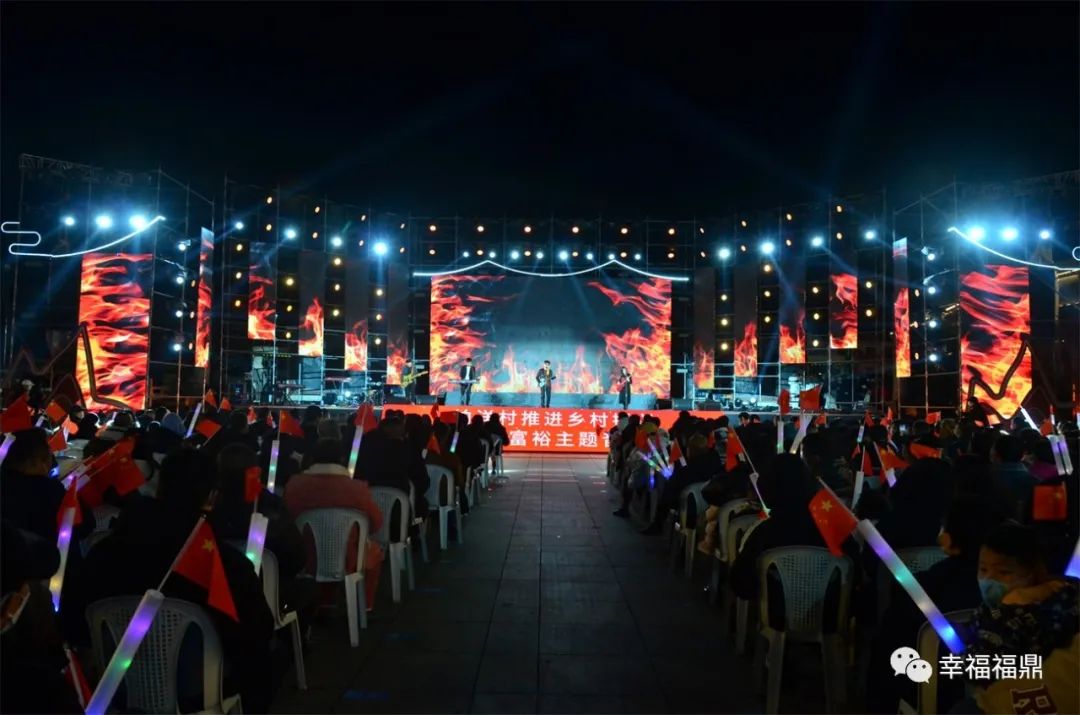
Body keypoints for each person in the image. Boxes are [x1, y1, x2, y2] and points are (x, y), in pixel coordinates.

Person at [66, 448, 275, 712]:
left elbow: (74, 623)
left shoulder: (103, 553)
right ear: (211, 497)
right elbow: (258, 632)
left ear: (159, 488)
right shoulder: (221, 564)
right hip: (197, 690)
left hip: (116, 689)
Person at [284, 439, 385, 609]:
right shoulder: (357, 488)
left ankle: (322, 602)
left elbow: (288, 521)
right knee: (374, 551)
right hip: (348, 558)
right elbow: (376, 523)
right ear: (342, 459)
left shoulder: (294, 486)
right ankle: (364, 606)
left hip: (305, 558)